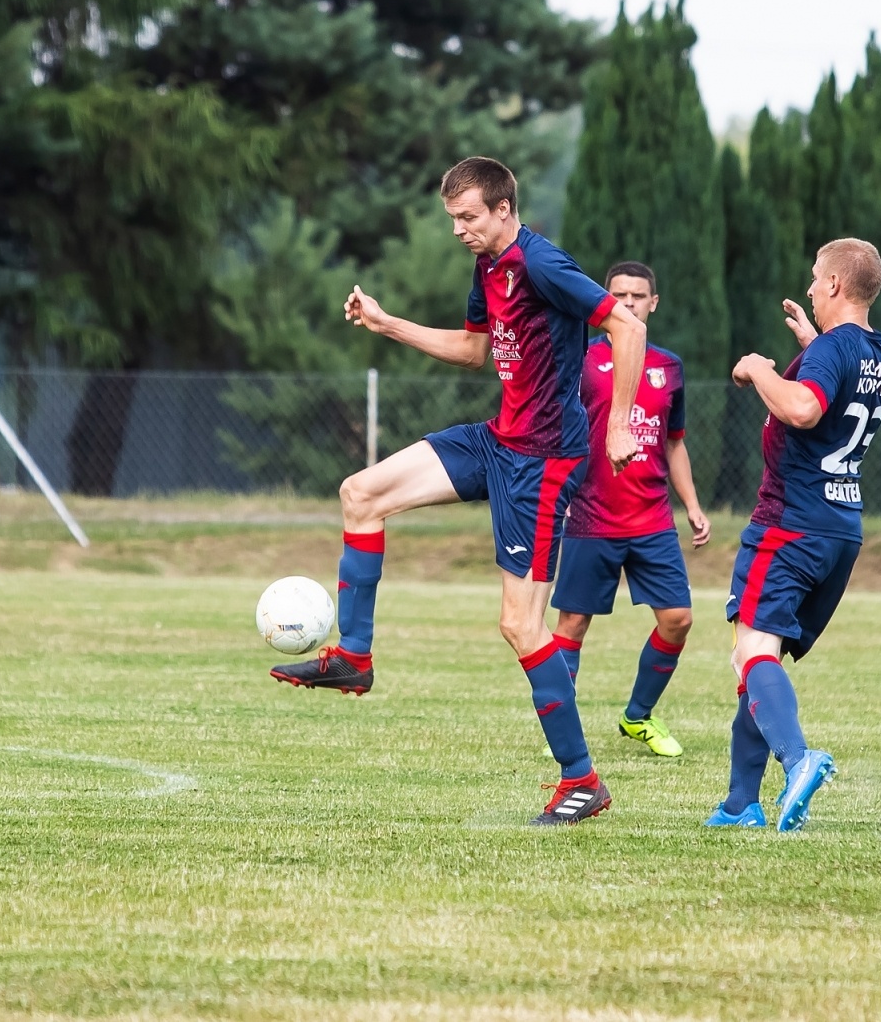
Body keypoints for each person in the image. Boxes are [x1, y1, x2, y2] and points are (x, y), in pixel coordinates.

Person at [269, 156, 648, 825]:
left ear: (504, 209)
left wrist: (618, 422)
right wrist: (388, 324)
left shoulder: (541, 263)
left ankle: (582, 780)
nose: (458, 229)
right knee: (361, 492)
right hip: (498, 440)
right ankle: (353, 657)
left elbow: (627, 324)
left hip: (542, 462)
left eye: (468, 216)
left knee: (518, 624)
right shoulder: (489, 267)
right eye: (453, 219)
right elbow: (475, 351)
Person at [710, 238, 881, 832]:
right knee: (759, 656)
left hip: (790, 520)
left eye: (817, 279)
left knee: (751, 652)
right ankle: (740, 804)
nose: (813, 288)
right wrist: (813, 348)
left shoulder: (838, 347)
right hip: (840, 529)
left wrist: (759, 369)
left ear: (837, 286)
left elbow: (803, 409)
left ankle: (798, 763)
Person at [550, 261, 710, 759]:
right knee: (572, 626)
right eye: (617, 295)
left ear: (653, 303)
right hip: (590, 516)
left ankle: (637, 716)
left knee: (679, 619)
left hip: (652, 519)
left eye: (637, 296)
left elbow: (675, 444)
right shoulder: (580, 360)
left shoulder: (669, 367)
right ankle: (561, 728)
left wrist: (693, 505)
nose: (627, 303)